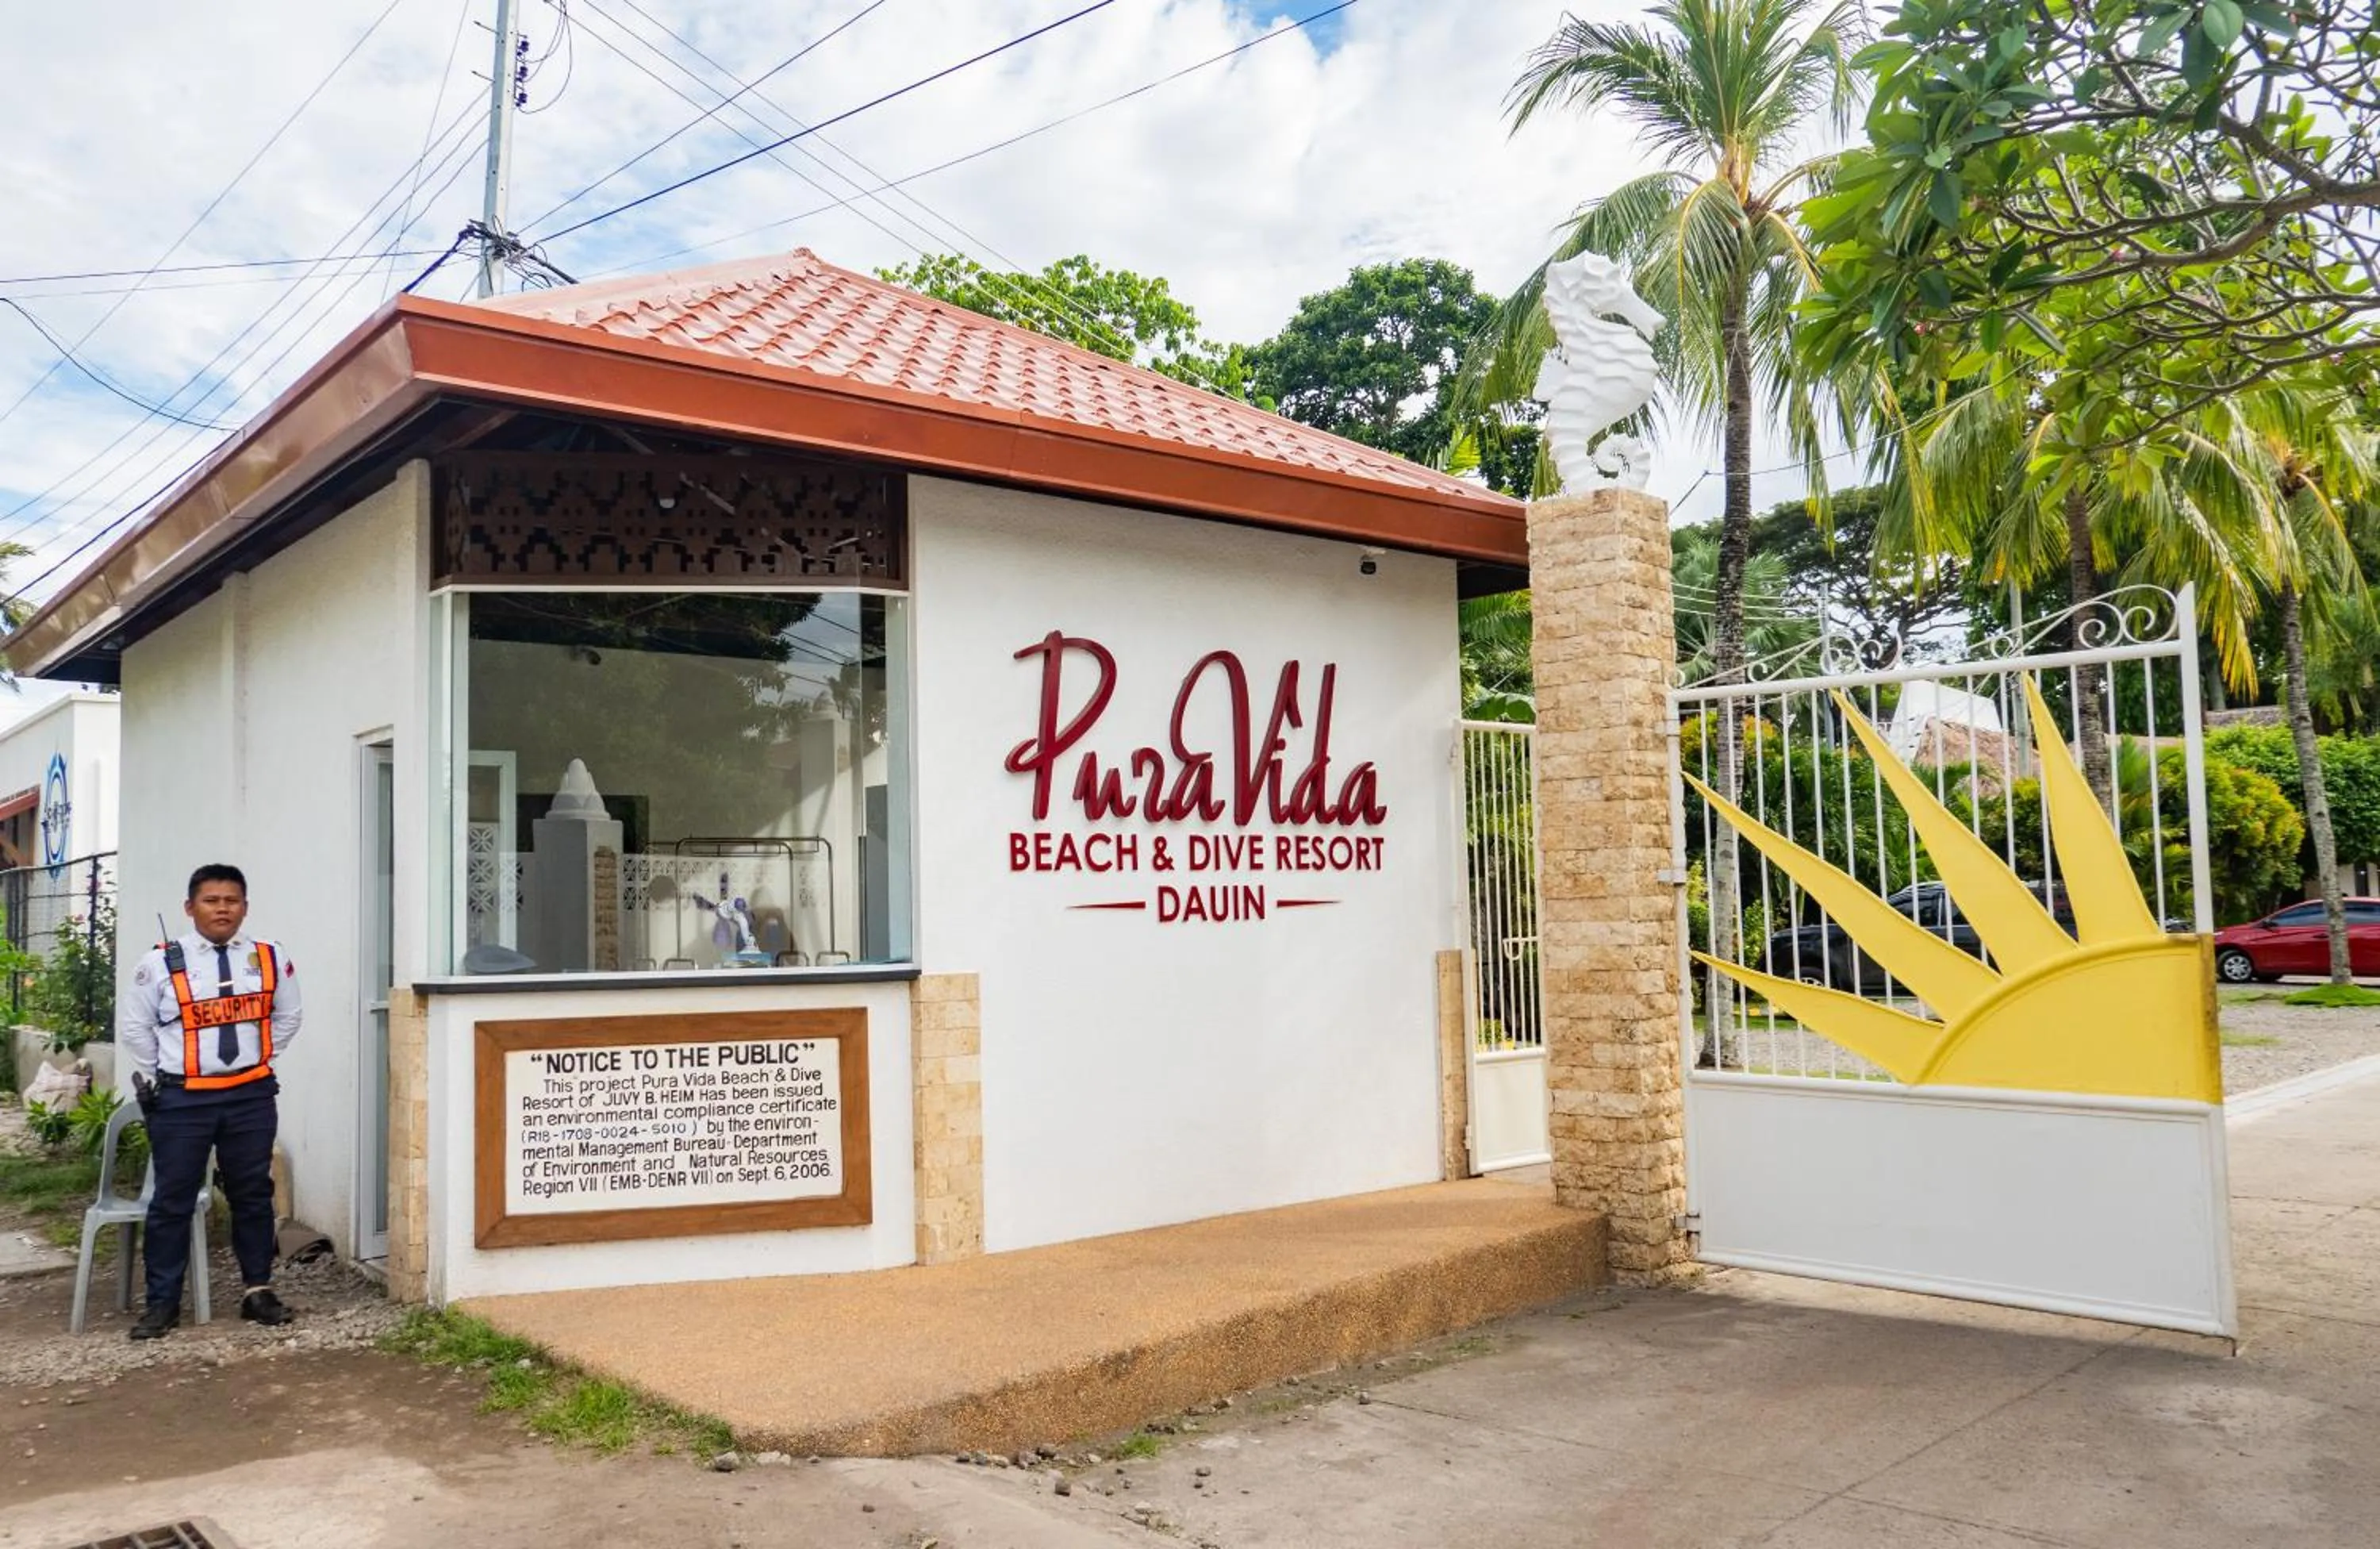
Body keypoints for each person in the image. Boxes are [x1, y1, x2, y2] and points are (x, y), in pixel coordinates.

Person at [117, 864, 303, 1340]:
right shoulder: (159, 963)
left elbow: (288, 1016)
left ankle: (257, 1290)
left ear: (245, 907)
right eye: (211, 900)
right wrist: (174, 1069)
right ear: (190, 907)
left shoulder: (267, 957)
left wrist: (254, 1058)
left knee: (253, 1195)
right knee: (173, 1201)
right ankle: (162, 1304)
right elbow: (136, 1027)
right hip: (183, 1101)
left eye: (232, 901)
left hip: (249, 1095)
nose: (222, 909)